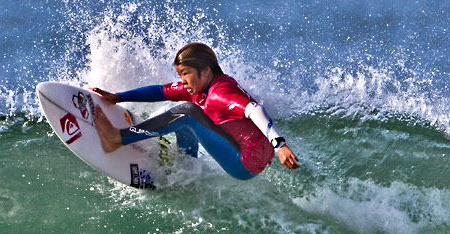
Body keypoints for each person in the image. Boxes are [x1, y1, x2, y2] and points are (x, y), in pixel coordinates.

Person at [88, 43, 299, 181]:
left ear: (205, 71)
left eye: (185, 74)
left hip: (244, 162)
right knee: (184, 120)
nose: (182, 81)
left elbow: (254, 110)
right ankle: (185, 169)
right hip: (242, 149)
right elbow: (161, 91)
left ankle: (118, 138)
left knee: (187, 113)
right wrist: (118, 97)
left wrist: (280, 145)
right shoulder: (199, 87)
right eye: (180, 75)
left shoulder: (219, 93)